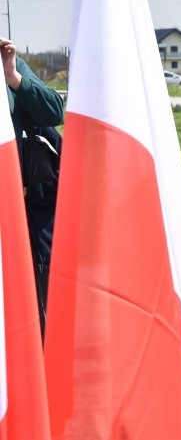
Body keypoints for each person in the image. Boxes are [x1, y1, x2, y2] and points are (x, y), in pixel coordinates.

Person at [2, 37, 65, 335]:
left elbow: (54, 111)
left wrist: (12, 75)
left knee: (36, 289)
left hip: (22, 203)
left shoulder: (10, 66)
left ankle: (42, 364)